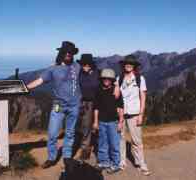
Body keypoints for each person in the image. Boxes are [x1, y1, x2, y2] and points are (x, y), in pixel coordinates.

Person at [27, 41, 81, 171]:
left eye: (70, 52)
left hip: (75, 105)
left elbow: (91, 70)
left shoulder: (77, 66)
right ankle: (52, 158)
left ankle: (67, 157)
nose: (68, 54)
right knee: (52, 133)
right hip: (59, 106)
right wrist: (25, 87)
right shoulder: (53, 69)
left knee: (70, 133)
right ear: (61, 53)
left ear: (73, 54)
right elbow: (40, 80)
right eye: (66, 52)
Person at [118, 55, 151, 176]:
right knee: (120, 138)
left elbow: (143, 97)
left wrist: (141, 114)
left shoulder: (139, 78)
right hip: (121, 113)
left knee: (136, 140)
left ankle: (141, 163)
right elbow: (116, 96)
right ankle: (122, 161)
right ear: (124, 65)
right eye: (126, 63)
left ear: (134, 66)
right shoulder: (119, 78)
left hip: (134, 113)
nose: (128, 65)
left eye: (130, 64)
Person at [92, 68, 124, 174]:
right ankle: (104, 162)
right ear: (102, 79)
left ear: (112, 80)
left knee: (114, 144)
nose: (106, 80)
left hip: (113, 122)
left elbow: (120, 107)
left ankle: (115, 164)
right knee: (102, 143)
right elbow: (96, 107)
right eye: (104, 78)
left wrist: (120, 122)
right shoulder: (98, 90)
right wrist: (95, 121)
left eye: (108, 79)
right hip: (101, 121)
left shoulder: (117, 91)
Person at [76, 54, 100, 161]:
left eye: (87, 64)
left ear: (91, 64)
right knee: (84, 126)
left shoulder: (97, 73)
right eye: (83, 64)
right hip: (83, 102)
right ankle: (85, 148)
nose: (85, 66)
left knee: (92, 127)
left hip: (95, 103)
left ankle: (92, 151)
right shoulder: (80, 73)